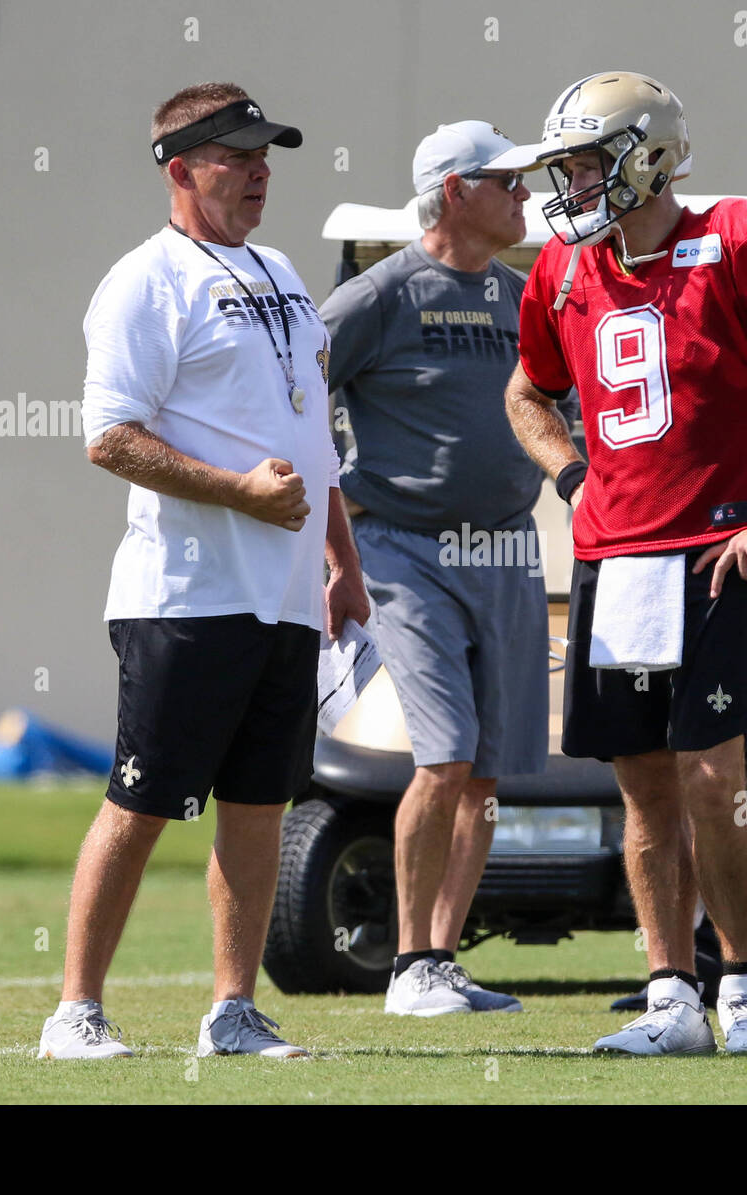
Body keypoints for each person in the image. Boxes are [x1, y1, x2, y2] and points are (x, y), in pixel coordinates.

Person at [494, 71, 747, 1055]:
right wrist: (575, 478)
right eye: (565, 167)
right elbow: (526, 396)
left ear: (647, 155)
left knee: (715, 776)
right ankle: (670, 994)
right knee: (643, 788)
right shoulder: (563, 271)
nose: (571, 184)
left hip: (714, 553)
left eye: (587, 163)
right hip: (614, 558)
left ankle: (743, 991)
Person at [38, 82, 369, 1061]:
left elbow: (312, 439)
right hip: (183, 598)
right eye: (238, 154)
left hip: (283, 602)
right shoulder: (144, 281)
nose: (261, 168)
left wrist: (340, 561)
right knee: (140, 804)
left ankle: (233, 1010)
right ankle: (76, 1013)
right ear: (180, 170)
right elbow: (109, 438)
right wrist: (240, 492)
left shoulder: (278, 269)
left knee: (260, 808)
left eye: (267, 151)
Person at [317, 122, 546, 1016]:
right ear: (455, 190)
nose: (525, 195)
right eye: (507, 180)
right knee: (445, 756)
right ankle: (410, 966)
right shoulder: (381, 293)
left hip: (508, 551)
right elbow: (296, 393)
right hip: (404, 552)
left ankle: (440, 959)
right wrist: (332, 542)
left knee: (488, 772)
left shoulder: (527, 297)